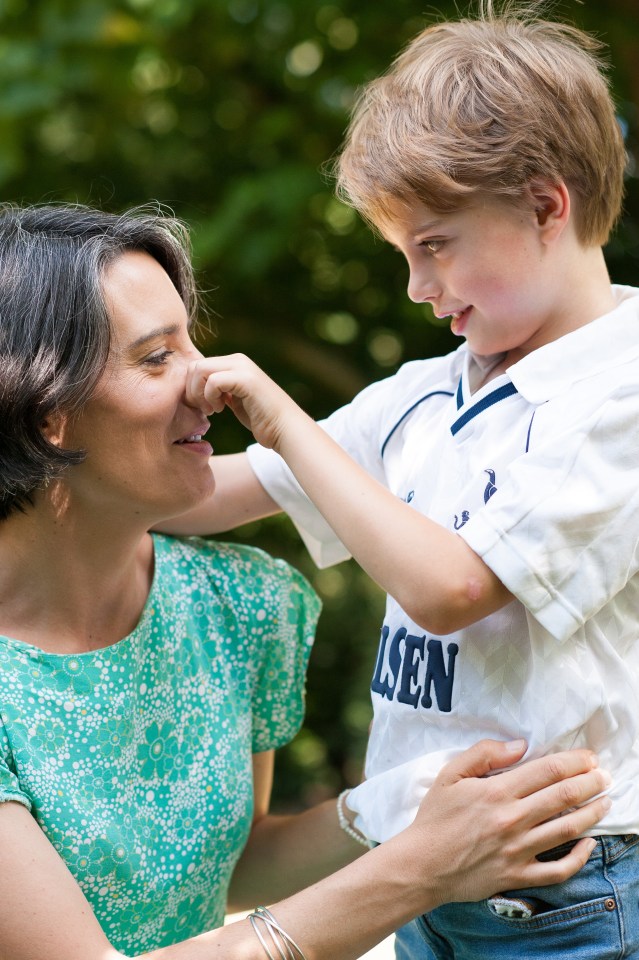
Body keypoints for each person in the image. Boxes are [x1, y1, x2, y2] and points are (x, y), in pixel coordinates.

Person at [0, 202, 610, 960]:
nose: (212, 383)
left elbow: (233, 864)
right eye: (158, 358)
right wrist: (418, 869)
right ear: (46, 411)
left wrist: (403, 802)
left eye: (195, 343)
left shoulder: (238, 604)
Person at [164, 2, 639, 957]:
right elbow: (218, 495)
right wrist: (76, 459)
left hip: (568, 877)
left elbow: (449, 588)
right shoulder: (423, 393)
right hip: (427, 860)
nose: (419, 288)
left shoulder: (618, 389)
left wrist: (283, 417)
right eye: (403, 255)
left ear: (546, 206)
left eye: (434, 246)